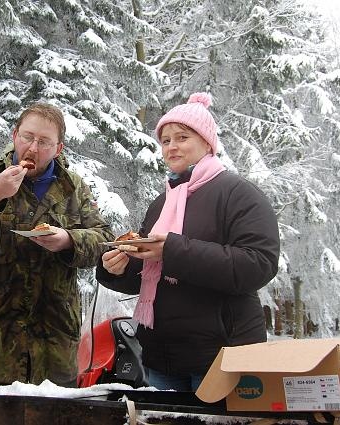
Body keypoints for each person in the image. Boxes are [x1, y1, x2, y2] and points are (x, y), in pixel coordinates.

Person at [96, 93, 280, 392]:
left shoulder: (239, 194)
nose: (172, 146)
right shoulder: (162, 202)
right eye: (165, 140)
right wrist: (117, 268)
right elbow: (148, 273)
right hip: (162, 357)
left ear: (207, 143)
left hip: (222, 354)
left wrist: (172, 250)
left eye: (182, 137)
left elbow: (258, 265)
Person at [0, 102, 114, 386]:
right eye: (28, 137)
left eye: (44, 142)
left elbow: (105, 240)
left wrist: (69, 240)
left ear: (58, 149)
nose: (33, 148)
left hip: (55, 341)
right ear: (15, 135)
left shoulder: (73, 188)